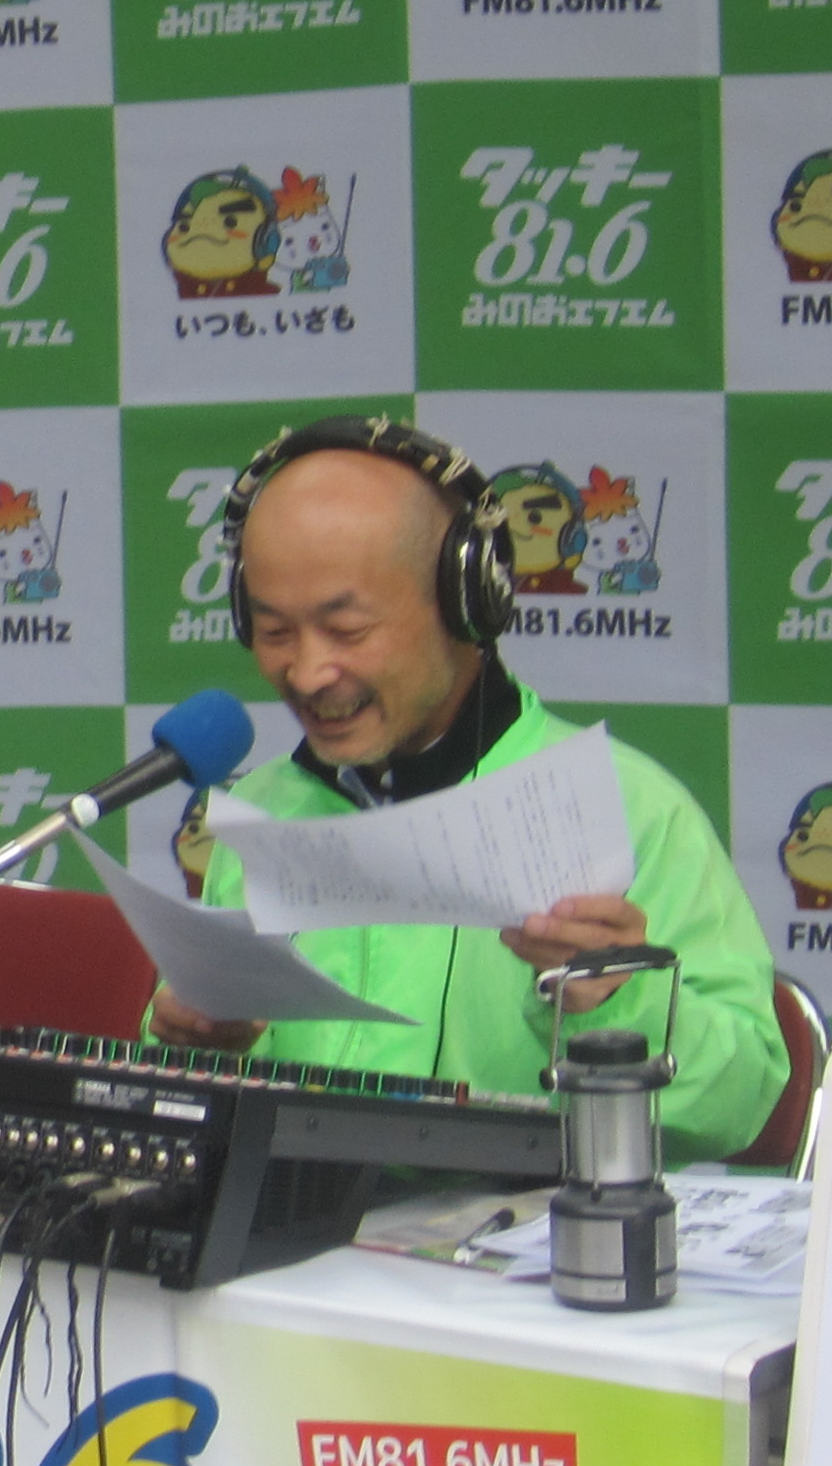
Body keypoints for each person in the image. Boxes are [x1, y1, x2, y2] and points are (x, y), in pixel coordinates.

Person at [144, 420, 787, 1161]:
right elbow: (195, 1098)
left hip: (536, 1233)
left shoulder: (629, 807)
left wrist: (618, 1000)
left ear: (467, 603)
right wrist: (200, 1044)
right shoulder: (263, 810)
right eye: (274, 631)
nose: (307, 672)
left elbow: (742, 1102)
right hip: (297, 1232)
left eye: (347, 630)